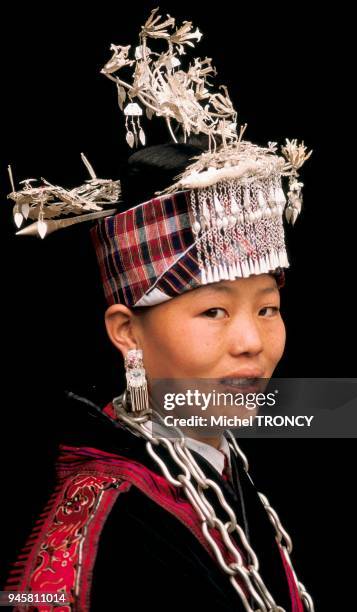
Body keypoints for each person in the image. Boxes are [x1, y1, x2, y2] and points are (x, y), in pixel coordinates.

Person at [4, 9, 313, 612]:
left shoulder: (219, 470)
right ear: (127, 332)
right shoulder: (106, 516)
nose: (253, 340)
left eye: (268, 309)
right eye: (214, 313)